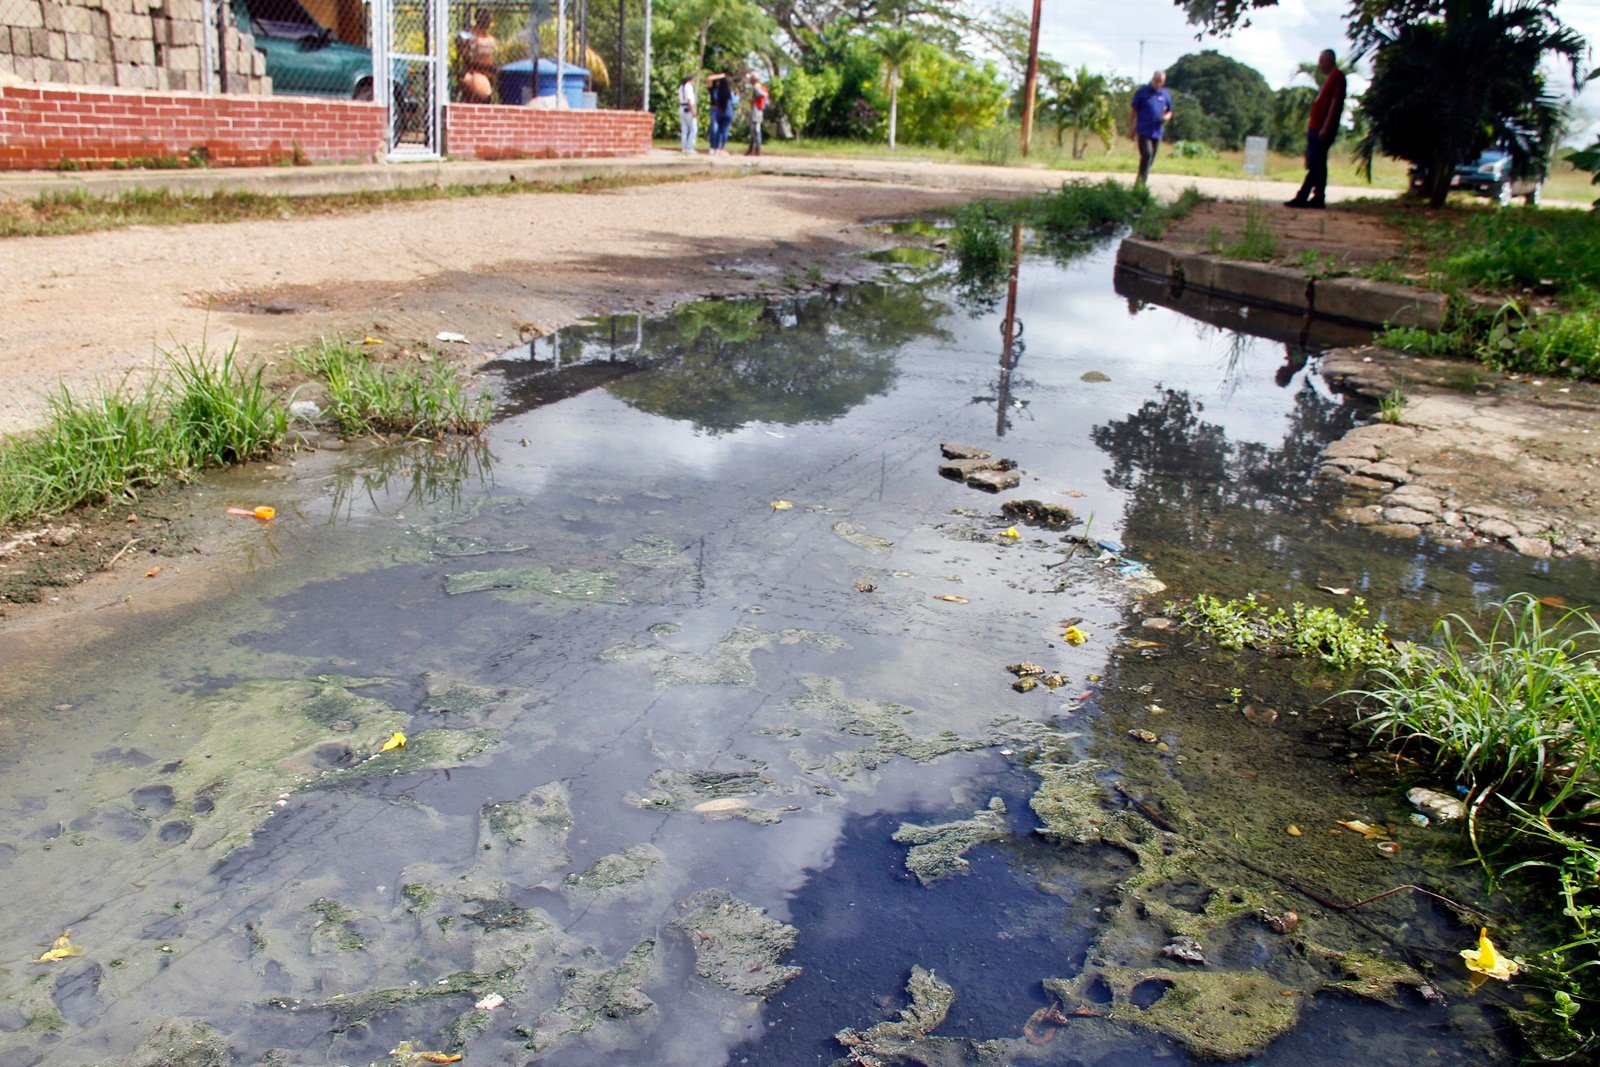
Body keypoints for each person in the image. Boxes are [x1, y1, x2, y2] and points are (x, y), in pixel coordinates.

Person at [1286, 50, 1347, 209]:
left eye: (1322, 61)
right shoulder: (1329, 79)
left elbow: (1335, 104)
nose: (1319, 65)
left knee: (1315, 163)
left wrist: (1325, 127)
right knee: (1319, 164)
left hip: (1322, 128)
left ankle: (1303, 195)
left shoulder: (1337, 77)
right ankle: (1318, 196)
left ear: (1330, 61)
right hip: (1316, 127)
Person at [1128, 70, 1173, 188]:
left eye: (1160, 82)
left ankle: (1141, 181)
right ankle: (1140, 185)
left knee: (1150, 159)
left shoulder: (1165, 94)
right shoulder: (1142, 92)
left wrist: (1167, 117)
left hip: (1157, 132)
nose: (1158, 84)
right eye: (1156, 81)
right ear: (1152, 79)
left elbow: (1169, 110)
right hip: (1143, 130)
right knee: (1147, 155)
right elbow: (1134, 111)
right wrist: (1131, 128)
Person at [456, 10, 497, 104]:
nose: (489, 21)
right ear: (479, 19)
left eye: (489, 18)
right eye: (486, 18)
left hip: (489, 76)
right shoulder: (471, 35)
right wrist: (486, 67)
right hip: (474, 74)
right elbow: (466, 59)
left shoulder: (490, 38)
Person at [706, 72, 734, 155]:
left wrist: (720, 76)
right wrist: (721, 75)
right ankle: (716, 147)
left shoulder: (722, 91)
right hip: (722, 110)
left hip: (722, 110)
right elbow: (709, 79)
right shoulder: (715, 89)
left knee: (722, 130)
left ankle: (719, 148)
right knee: (716, 130)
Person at [745, 75, 768, 156]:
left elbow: (762, 95)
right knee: (754, 130)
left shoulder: (756, 87)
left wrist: (753, 100)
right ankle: (751, 149)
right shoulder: (759, 87)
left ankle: (757, 150)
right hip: (758, 110)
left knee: (755, 130)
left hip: (756, 111)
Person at [678, 73, 698, 153]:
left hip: (682, 107)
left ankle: (684, 147)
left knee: (684, 129)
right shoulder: (688, 87)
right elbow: (690, 100)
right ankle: (690, 147)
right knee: (693, 129)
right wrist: (693, 110)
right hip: (688, 108)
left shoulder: (681, 87)